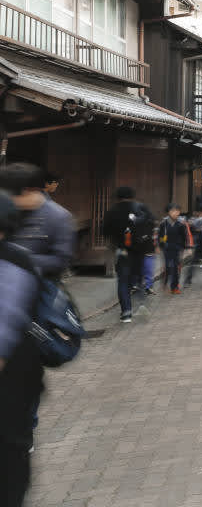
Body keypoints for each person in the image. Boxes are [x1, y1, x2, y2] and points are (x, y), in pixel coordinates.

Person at [0, 190, 43, 505]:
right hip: (19, 374)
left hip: (12, 375)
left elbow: (5, 325)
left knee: (10, 453)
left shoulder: (13, 262)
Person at [0, 163, 75, 283]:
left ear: (28, 191)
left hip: (41, 287)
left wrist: (18, 259)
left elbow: (60, 260)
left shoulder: (58, 216)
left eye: (10, 194)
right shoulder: (4, 211)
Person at [102, 187, 154, 323]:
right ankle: (141, 305)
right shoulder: (141, 208)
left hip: (122, 251)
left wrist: (116, 240)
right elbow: (151, 223)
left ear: (118, 197)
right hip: (139, 250)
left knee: (123, 281)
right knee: (138, 278)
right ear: (132, 196)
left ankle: (126, 312)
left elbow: (105, 230)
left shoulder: (112, 211)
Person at [158, 204, 192, 295]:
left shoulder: (181, 223)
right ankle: (165, 283)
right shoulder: (163, 223)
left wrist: (188, 247)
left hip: (178, 248)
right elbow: (159, 236)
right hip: (166, 248)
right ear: (168, 212)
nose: (175, 213)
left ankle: (175, 287)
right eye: (173, 211)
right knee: (168, 267)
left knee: (176, 268)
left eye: (177, 211)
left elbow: (186, 236)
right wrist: (159, 246)